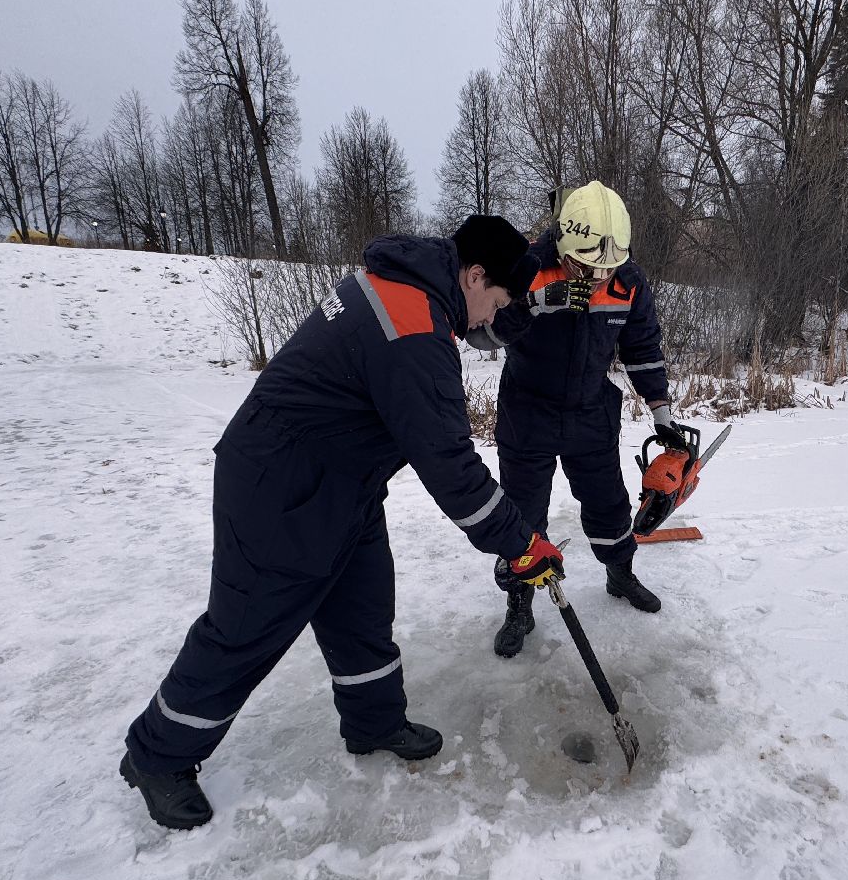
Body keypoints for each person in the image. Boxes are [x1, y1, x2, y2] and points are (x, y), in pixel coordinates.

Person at [121, 215, 564, 830]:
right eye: (495, 300)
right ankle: (157, 755)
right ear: (474, 273)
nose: (491, 317)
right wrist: (520, 544)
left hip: (341, 481)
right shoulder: (413, 325)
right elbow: (449, 464)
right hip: (280, 484)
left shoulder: (408, 284)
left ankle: (374, 722)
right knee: (247, 622)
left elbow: (447, 385)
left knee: (361, 606)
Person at [467, 182, 683, 658]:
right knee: (523, 514)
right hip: (529, 410)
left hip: (591, 409)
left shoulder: (629, 281)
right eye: (587, 267)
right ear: (564, 243)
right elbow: (482, 335)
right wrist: (532, 306)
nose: (599, 276)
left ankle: (620, 573)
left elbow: (642, 348)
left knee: (609, 505)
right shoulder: (526, 267)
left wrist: (662, 413)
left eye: (608, 268)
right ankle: (519, 602)